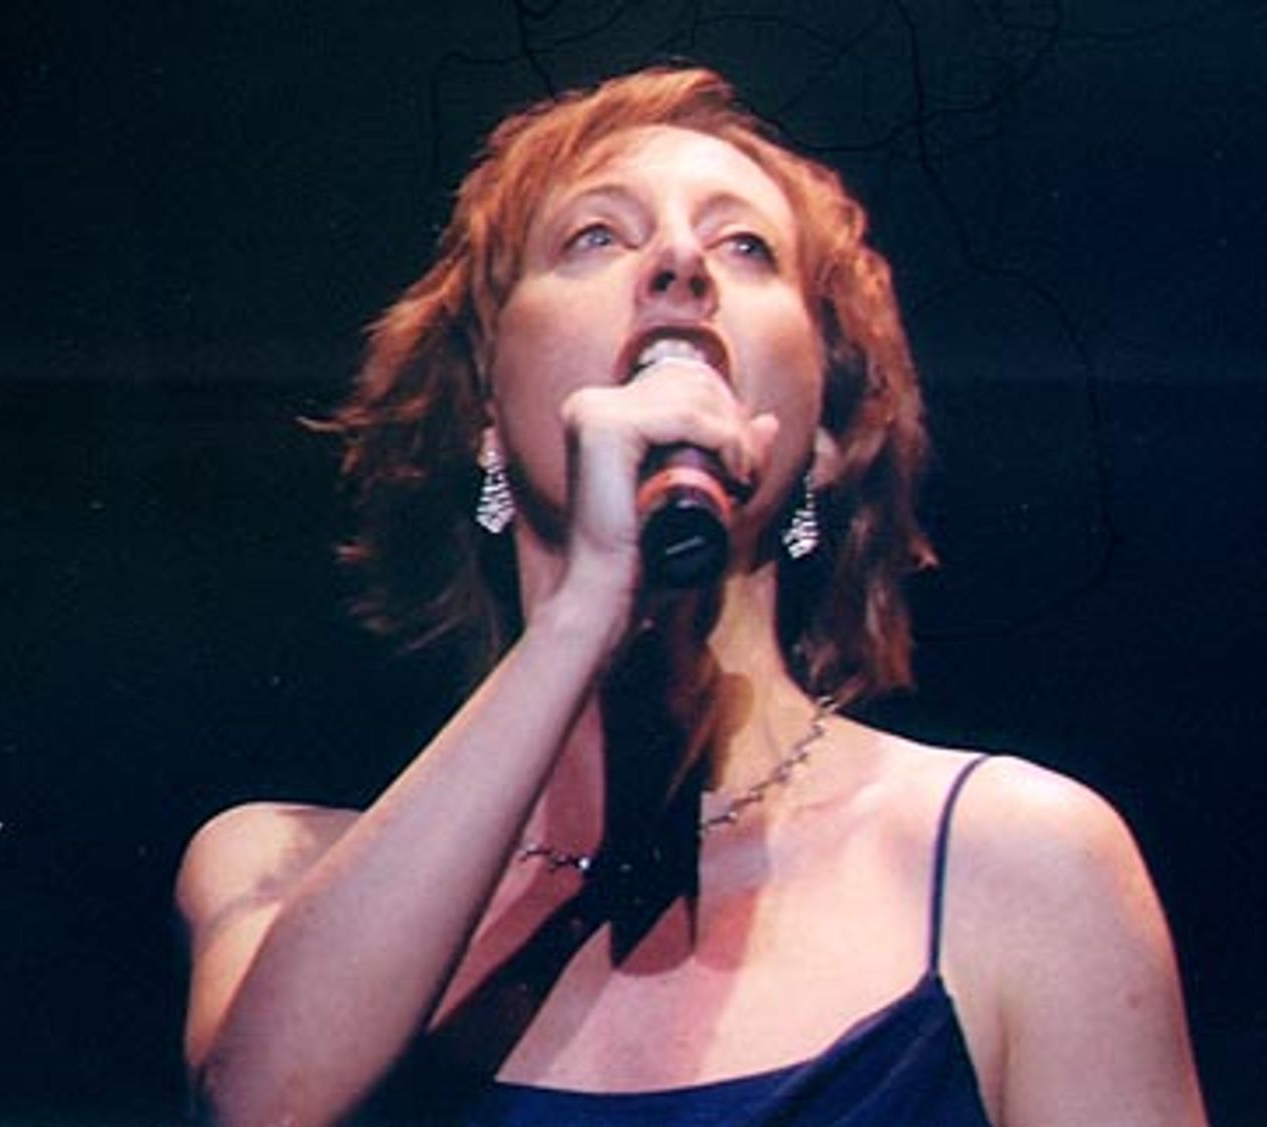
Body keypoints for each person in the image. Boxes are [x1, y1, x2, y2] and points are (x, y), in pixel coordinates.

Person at [175, 66, 1207, 1125]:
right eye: (595, 236)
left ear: (826, 431)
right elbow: (264, 1104)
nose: (678, 263)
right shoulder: (277, 865)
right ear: (482, 405)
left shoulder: (1015, 861)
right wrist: (587, 605)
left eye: (745, 246)